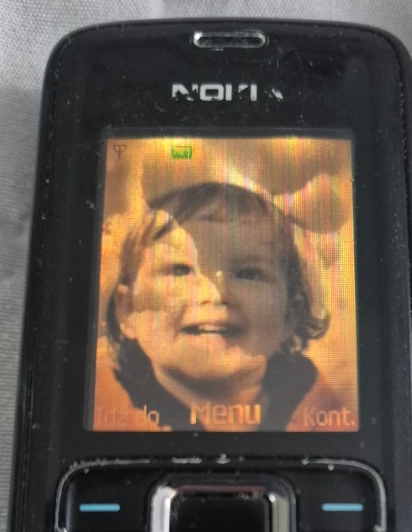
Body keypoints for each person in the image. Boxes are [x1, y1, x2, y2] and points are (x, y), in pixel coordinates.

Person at [103, 182, 349, 432]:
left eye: (249, 274)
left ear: (289, 316)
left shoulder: (332, 421)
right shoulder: (104, 412)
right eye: (180, 270)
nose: (215, 293)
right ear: (128, 310)